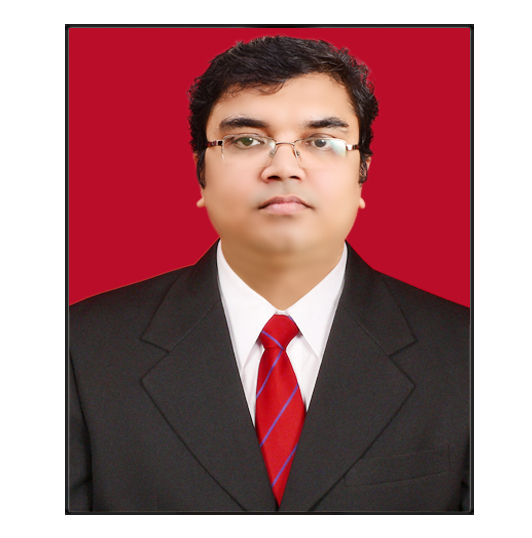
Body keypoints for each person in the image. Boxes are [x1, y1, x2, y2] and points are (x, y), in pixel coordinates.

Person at [68, 36, 470, 513]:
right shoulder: (81, 349)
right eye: (246, 140)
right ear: (200, 173)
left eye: (320, 141)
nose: (283, 168)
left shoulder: (467, 351)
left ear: (362, 172)